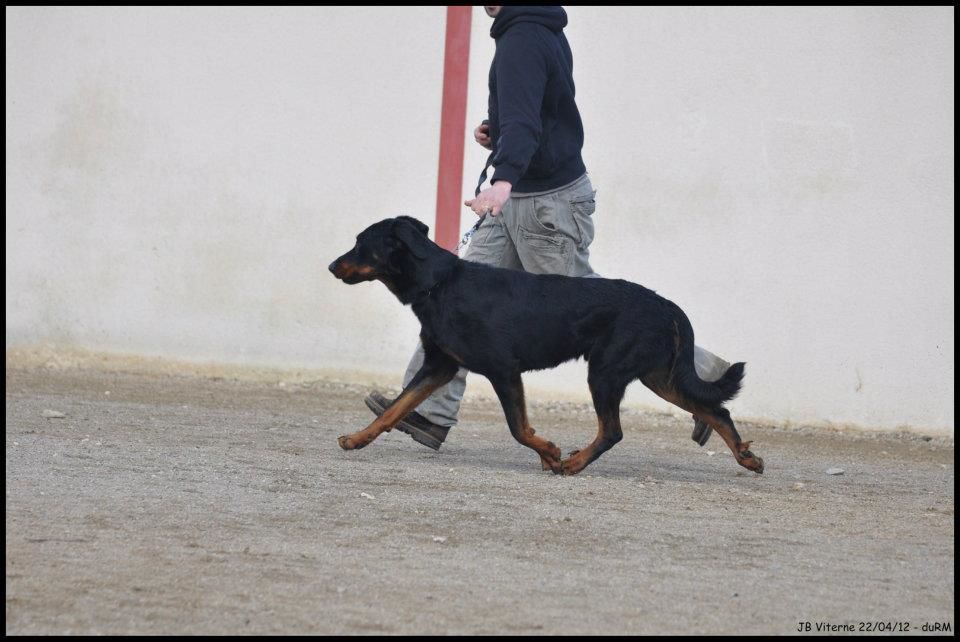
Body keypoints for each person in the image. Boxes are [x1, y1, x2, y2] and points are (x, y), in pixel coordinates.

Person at [366, 5, 728, 450]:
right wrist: (497, 133)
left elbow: (525, 123)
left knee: (588, 300)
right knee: (451, 295)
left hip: (543, 204)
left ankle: (703, 376)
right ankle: (428, 413)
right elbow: (540, 112)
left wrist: (502, 180)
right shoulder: (537, 28)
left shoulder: (521, 39)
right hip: (524, 194)